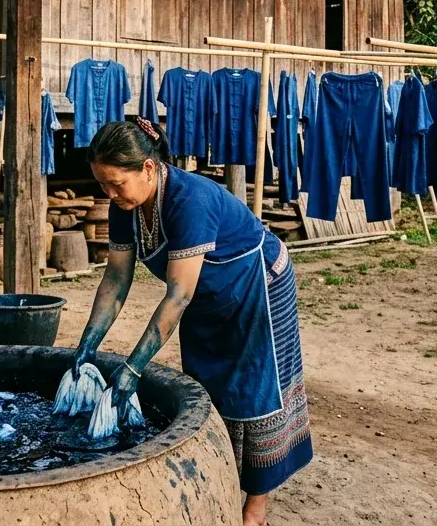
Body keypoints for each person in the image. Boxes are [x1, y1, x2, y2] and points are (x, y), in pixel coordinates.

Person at [72, 119, 313, 526]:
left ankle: (255, 509)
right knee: (206, 383)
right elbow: (115, 280)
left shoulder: (190, 200)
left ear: (148, 168)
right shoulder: (124, 207)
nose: (109, 193)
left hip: (257, 285)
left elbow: (178, 296)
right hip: (206, 293)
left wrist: (134, 368)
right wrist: (87, 345)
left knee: (253, 391)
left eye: (116, 183)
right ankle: (221, 477)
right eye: (103, 184)